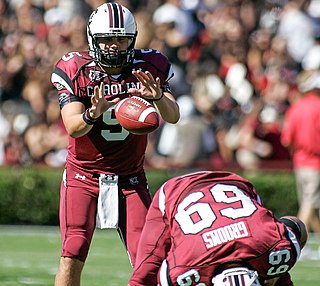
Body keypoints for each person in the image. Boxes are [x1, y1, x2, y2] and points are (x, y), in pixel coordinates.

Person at [50, 2, 180, 286]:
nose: (114, 46)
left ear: (132, 40)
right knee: (72, 252)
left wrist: (158, 97)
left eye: (121, 39)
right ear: (93, 41)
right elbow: (73, 127)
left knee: (151, 258)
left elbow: (172, 116)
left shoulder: (149, 67)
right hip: (84, 175)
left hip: (130, 178)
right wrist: (92, 113)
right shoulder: (75, 67)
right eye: (107, 40)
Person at [128, 171, 308, 286]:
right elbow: (295, 226)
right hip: (175, 192)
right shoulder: (186, 269)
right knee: (144, 274)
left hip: (234, 184)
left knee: (275, 266)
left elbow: (295, 226)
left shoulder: (278, 249)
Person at [281, 70, 320, 251]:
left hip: (300, 162)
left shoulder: (296, 107)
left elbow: (287, 139)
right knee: (309, 204)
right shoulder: (318, 107)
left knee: (309, 203)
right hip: (315, 163)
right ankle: (294, 243)